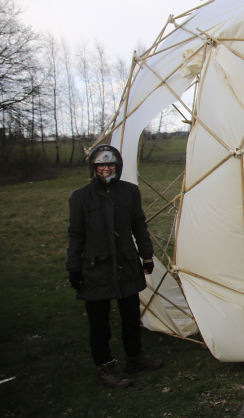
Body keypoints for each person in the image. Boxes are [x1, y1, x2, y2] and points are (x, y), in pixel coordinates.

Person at [66, 144, 164, 388]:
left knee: (131, 317)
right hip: (95, 269)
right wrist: (74, 268)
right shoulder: (80, 197)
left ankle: (135, 359)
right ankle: (104, 368)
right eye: (101, 165)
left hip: (127, 265)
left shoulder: (130, 192)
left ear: (117, 167)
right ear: (94, 168)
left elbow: (139, 226)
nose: (106, 168)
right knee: (99, 323)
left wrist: (147, 255)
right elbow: (76, 235)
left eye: (110, 164)